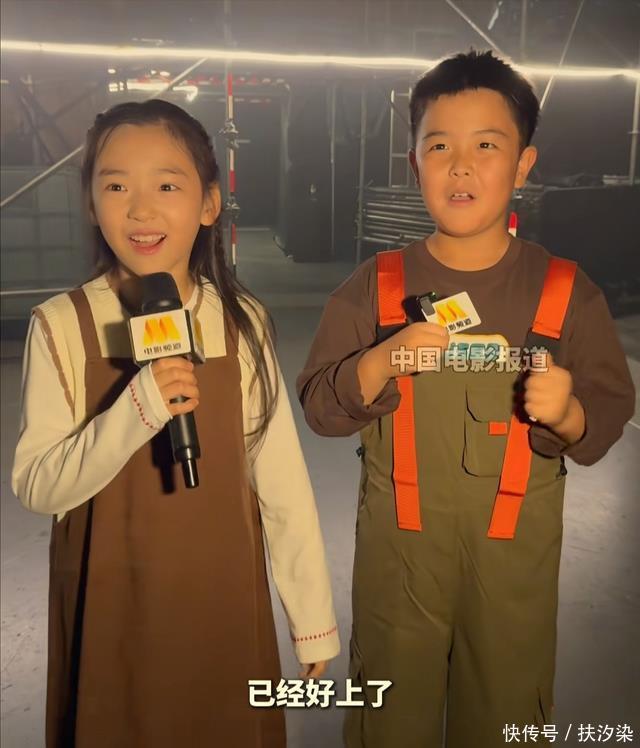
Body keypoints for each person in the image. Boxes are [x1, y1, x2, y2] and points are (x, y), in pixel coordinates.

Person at [296, 51, 634, 748]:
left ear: (524, 164)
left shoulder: (566, 292)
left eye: (486, 146)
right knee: (390, 717)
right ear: (413, 162)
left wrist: (569, 413)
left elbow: (608, 409)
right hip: (398, 567)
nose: (460, 167)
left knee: (507, 713)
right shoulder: (375, 288)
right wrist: (379, 361)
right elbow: (321, 408)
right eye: (439, 146)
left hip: (513, 572)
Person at [11, 99, 340, 748]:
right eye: (115, 186)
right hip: (112, 606)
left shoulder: (241, 321)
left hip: (222, 597)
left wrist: (312, 617)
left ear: (209, 203)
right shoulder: (61, 325)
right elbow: (38, 485)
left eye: (166, 186)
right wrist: (137, 410)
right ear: (90, 203)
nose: (140, 210)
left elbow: (279, 479)